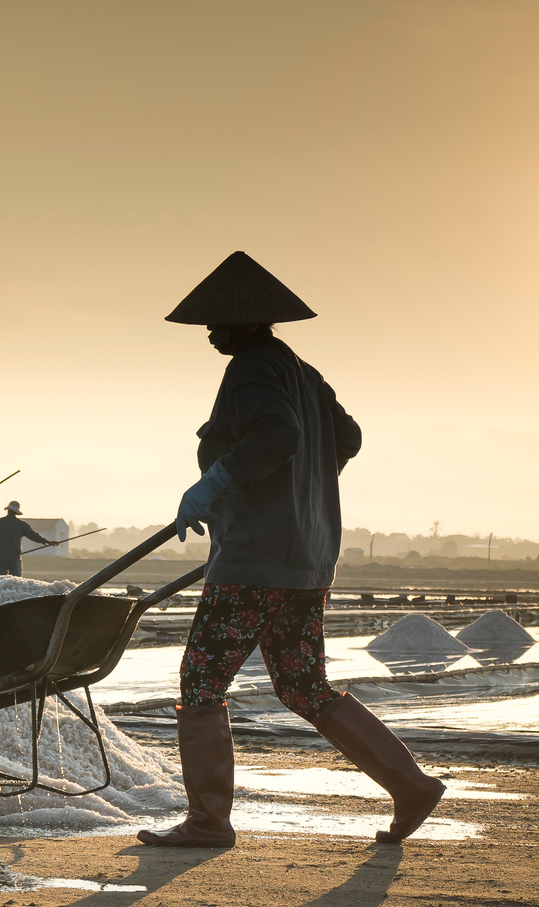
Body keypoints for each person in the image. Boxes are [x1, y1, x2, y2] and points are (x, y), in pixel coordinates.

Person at [137, 251, 445, 849]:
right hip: (306, 561)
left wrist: (217, 483)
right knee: (304, 685)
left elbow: (277, 435)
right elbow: (347, 436)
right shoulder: (302, 371)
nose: (209, 331)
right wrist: (300, 491)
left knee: (201, 680)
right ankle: (410, 787)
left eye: (217, 322)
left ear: (247, 323)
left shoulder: (251, 368)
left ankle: (207, 821)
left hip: (253, 561)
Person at [0, 501, 59, 576]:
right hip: (14, 557)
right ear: (16, 512)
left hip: (0, 557)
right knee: (16, 580)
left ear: (8, 510)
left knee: (0, 579)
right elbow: (33, 535)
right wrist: (47, 542)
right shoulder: (21, 525)